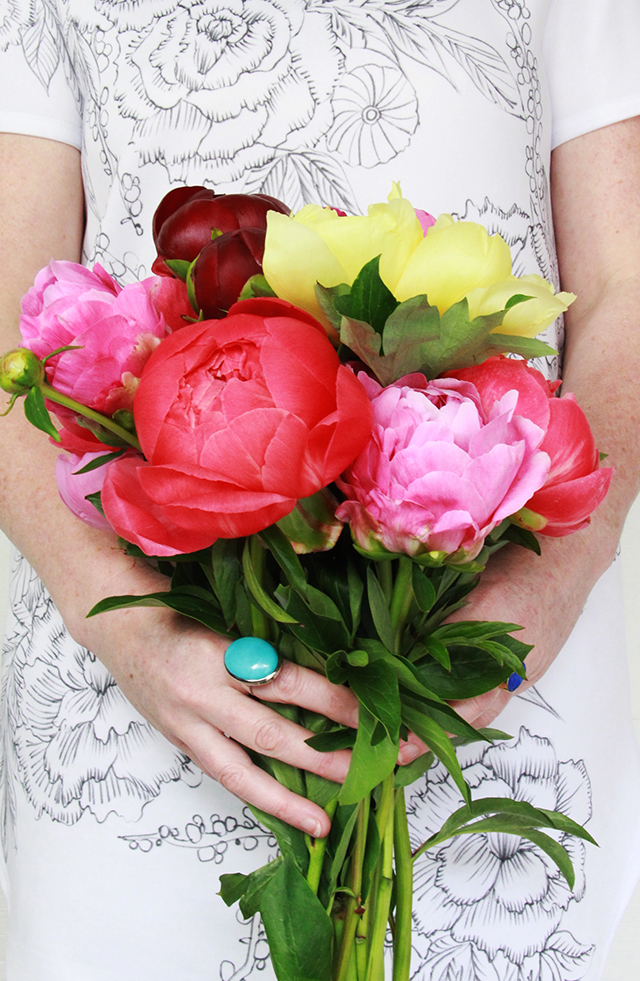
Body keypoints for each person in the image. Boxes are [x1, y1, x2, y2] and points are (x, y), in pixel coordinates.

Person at [0, 1, 640, 978]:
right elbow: (7, 309)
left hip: (490, 635)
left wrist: (552, 582)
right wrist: (118, 621)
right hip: (139, 661)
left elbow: (625, 287)